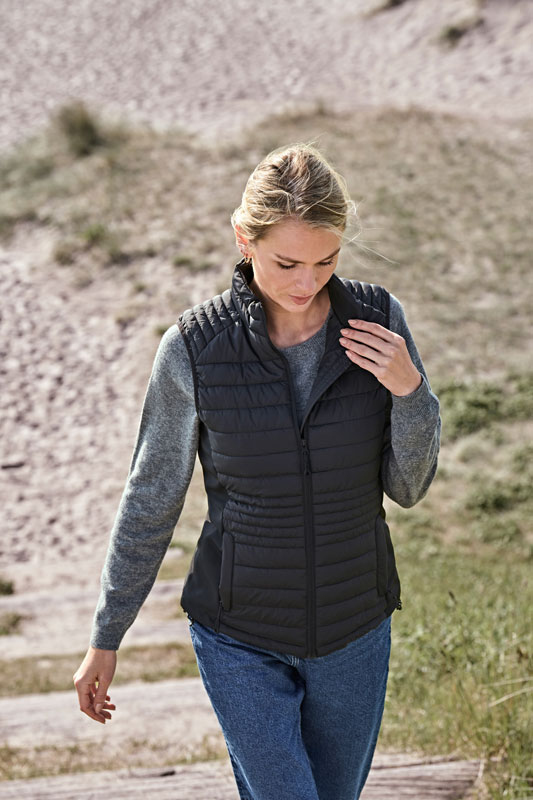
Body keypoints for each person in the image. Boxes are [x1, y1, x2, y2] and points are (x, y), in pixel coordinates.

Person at [73, 142, 441, 800]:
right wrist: (108, 634)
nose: (306, 283)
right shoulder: (194, 348)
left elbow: (407, 488)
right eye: (286, 263)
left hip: (355, 627)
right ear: (244, 240)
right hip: (237, 635)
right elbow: (151, 498)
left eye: (326, 261)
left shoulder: (379, 323)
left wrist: (411, 392)